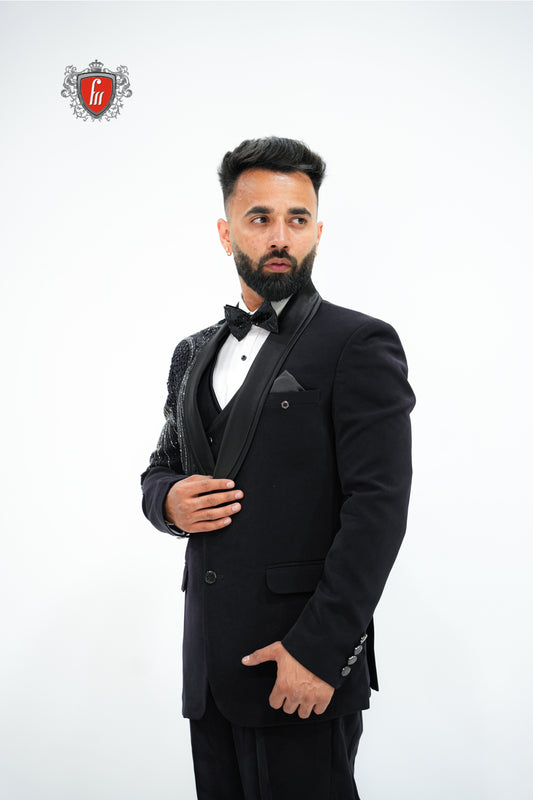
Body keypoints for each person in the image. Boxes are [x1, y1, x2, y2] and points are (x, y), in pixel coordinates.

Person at [141, 136, 415, 800]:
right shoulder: (192, 352)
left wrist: (320, 651)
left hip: (301, 667)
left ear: (317, 230)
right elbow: (160, 467)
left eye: (297, 219)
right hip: (209, 670)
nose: (280, 236)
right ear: (226, 232)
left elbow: (377, 511)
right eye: (259, 217)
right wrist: (167, 501)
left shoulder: (358, 342)